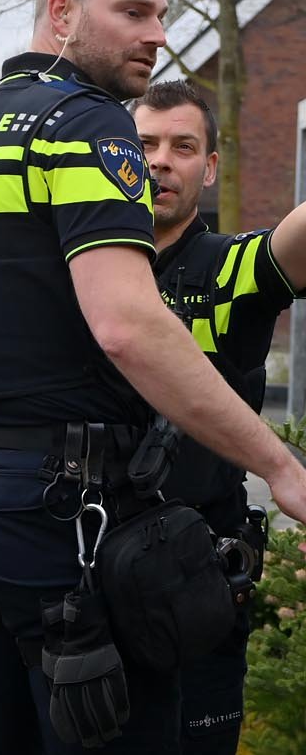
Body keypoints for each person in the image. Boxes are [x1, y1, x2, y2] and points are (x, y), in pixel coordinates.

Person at [0, 0, 306, 752]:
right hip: (60, 519)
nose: (157, 34)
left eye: (161, 14)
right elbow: (126, 326)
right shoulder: (86, 125)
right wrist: (281, 465)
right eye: (133, 13)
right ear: (62, 14)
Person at [132, 79, 306, 754]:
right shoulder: (80, 273)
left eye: (182, 146)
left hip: (195, 583)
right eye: (143, 144)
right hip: (83, 578)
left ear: (209, 167)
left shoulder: (231, 267)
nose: (158, 161)